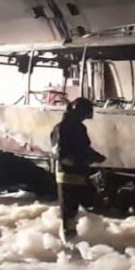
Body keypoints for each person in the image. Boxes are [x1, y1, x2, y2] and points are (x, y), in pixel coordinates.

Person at [51, 97, 106, 242]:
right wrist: (79, 160)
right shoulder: (61, 128)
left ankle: (80, 238)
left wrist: (95, 157)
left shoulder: (79, 127)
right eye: (83, 115)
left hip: (79, 173)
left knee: (89, 204)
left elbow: (84, 148)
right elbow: (60, 153)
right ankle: (69, 241)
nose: (84, 119)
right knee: (69, 211)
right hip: (67, 175)